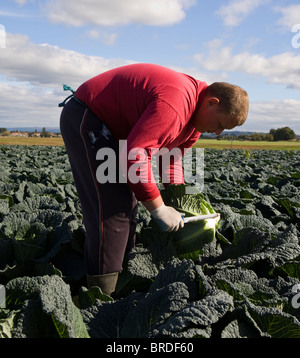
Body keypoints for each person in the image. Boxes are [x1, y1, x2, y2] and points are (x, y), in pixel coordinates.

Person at [59, 63, 249, 295]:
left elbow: (170, 160)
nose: (217, 133)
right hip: (88, 116)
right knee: (111, 208)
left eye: (224, 130)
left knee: (128, 205)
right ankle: (98, 296)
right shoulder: (177, 104)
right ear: (212, 102)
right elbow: (135, 155)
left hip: (113, 131)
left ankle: (120, 277)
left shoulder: (193, 125)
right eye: (220, 125)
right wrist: (159, 209)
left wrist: (179, 202)